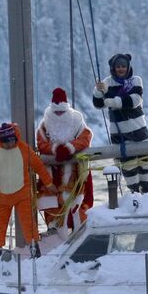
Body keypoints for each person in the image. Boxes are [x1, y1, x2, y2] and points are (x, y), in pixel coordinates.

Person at [0, 122, 55, 260]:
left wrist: (48, 182)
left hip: (22, 194)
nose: (9, 144)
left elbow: (38, 165)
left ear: (15, 138)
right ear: (1, 140)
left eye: (12, 141)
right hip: (1, 196)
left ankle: (34, 246)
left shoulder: (24, 149)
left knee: (28, 222)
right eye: (6, 142)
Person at [92, 53, 148, 193]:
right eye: (118, 66)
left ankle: (147, 190)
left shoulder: (136, 80)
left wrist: (112, 101)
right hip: (120, 135)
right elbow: (98, 104)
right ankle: (134, 192)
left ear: (128, 67)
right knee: (128, 165)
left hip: (139, 131)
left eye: (123, 66)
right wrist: (98, 91)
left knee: (145, 161)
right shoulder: (106, 83)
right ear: (113, 68)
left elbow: (134, 101)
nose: (121, 69)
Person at [35, 87, 94, 232]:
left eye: (62, 111)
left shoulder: (77, 120)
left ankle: (79, 234)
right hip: (52, 176)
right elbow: (41, 144)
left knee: (78, 208)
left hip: (76, 175)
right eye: (57, 112)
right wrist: (55, 150)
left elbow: (86, 137)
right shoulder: (44, 125)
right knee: (53, 212)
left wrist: (69, 148)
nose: (59, 114)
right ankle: (56, 236)